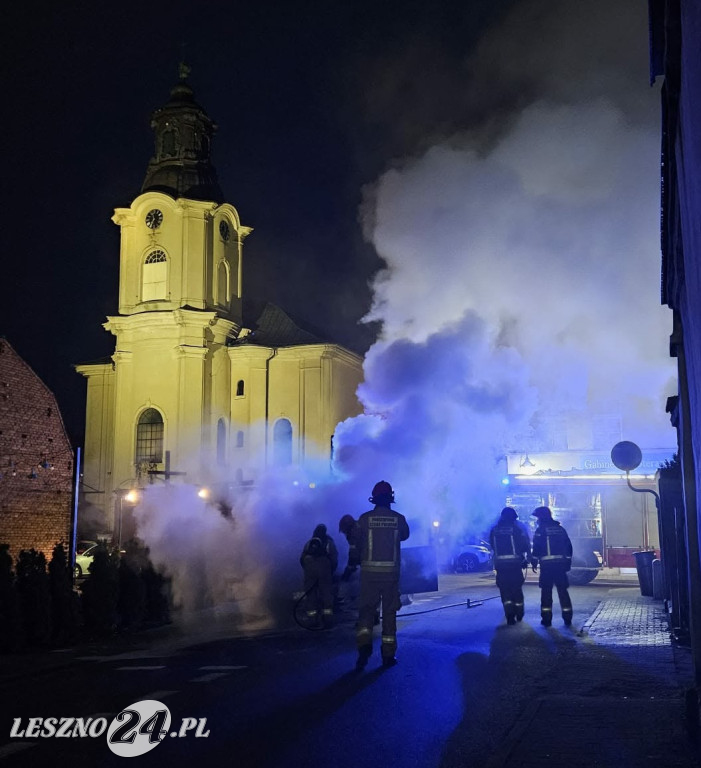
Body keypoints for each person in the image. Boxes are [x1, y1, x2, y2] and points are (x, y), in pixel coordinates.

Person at [355, 481, 410, 669]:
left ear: (374, 498)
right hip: (390, 576)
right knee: (389, 613)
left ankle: (363, 646)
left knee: (366, 611)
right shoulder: (399, 519)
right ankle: (388, 655)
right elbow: (405, 535)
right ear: (390, 498)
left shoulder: (364, 519)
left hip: (368, 575)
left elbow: (356, 540)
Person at [530, 506, 573, 627]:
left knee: (546, 593)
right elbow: (568, 547)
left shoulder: (540, 531)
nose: (537, 520)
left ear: (542, 517)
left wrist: (534, 562)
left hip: (547, 568)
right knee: (563, 592)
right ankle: (568, 618)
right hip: (560, 567)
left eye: (538, 517)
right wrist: (567, 562)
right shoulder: (560, 529)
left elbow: (536, 549)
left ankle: (546, 620)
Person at [489, 507, 531, 625]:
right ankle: (519, 613)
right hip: (515, 565)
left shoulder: (495, 530)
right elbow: (525, 545)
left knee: (505, 591)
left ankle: (510, 616)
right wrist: (526, 559)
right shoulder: (516, 529)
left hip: (501, 566)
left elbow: (492, 545)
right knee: (516, 590)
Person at [300, 523, 338, 628]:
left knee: (310, 594)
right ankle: (327, 620)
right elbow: (334, 559)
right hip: (324, 568)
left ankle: (312, 619)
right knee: (326, 594)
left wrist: (308, 570)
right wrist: (331, 571)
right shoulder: (329, 543)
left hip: (309, 568)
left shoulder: (309, 543)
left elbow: (302, 559)